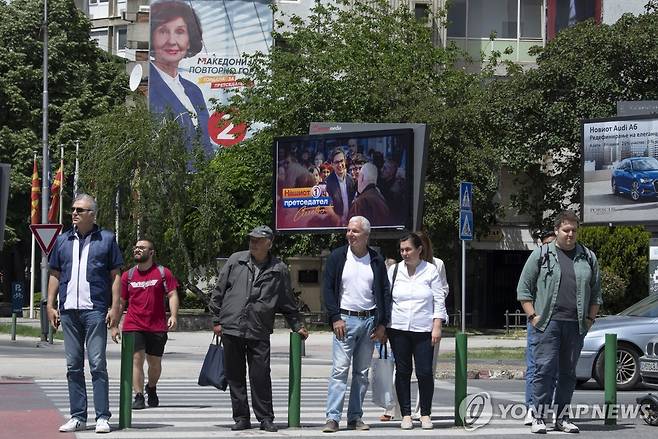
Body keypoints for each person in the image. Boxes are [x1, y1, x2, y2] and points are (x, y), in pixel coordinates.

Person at [209, 225, 309, 433]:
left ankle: (265, 418)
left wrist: (297, 325)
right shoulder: (236, 260)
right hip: (232, 326)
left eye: (257, 240)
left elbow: (286, 301)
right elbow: (219, 291)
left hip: (259, 328)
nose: (253, 243)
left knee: (261, 375)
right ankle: (241, 417)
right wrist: (217, 320)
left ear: (269, 243)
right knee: (235, 375)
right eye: (251, 239)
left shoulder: (278, 269)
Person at [517, 210, 602, 434]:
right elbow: (523, 290)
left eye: (574, 230)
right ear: (556, 231)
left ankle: (562, 418)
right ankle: (538, 416)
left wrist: (590, 320)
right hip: (547, 324)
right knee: (543, 371)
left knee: (568, 373)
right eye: (566, 230)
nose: (570, 234)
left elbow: (596, 294)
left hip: (575, 325)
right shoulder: (541, 254)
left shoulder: (588, 257)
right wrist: (534, 317)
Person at [46, 194, 123, 434]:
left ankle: (102, 417)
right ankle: (78, 416)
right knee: (73, 365)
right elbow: (55, 274)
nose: (74, 213)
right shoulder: (62, 240)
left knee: (98, 363)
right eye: (73, 209)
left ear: (92, 214)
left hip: (95, 310)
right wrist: (50, 305)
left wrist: (115, 308)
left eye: (80, 209)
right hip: (68, 310)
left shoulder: (107, 239)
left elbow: (116, 276)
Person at [321, 216, 390, 433]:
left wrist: (382, 324)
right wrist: (335, 317)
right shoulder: (337, 257)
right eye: (349, 230)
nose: (350, 234)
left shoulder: (376, 260)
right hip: (345, 320)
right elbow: (328, 290)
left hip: (369, 321)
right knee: (340, 370)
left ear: (366, 236)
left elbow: (385, 293)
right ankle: (332, 418)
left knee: (361, 373)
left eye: (355, 231)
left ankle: (355, 417)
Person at [386, 233, 445, 430]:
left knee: (425, 372)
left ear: (419, 249)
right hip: (398, 328)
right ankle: (406, 414)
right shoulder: (394, 270)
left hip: (424, 329)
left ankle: (425, 413)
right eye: (402, 250)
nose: (404, 253)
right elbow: (387, 299)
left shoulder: (431, 271)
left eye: (408, 249)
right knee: (402, 372)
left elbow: (439, 299)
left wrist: (437, 325)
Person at [112, 239, 179, 410]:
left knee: (154, 364)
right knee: (136, 359)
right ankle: (139, 395)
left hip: (157, 326)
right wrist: (114, 324)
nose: (137, 250)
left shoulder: (163, 273)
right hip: (133, 324)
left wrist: (173, 315)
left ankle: (151, 387)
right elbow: (121, 302)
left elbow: (172, 295)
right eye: (136, 247)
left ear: (151, 252)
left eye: (142, 248)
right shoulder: (128, 275)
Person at [148, 0, 214, 155]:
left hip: (200, 175)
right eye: (163, 31)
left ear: (189, 41)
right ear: (152, 36)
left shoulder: (194, 90)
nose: (172, 41)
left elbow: (205, 140)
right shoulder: (147, 84)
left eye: (179, 32)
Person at [523, 229, 556, 426]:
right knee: (536, 366)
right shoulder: (537, 261)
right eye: (547, 243)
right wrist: (534, 316)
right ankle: (531, 408)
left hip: (558, 322)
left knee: (554, 369)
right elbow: (524, 290)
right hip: (538, 322)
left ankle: (547, 408)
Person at [325, 148, 356, 225]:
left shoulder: (351, 180)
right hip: (335, 226)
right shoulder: (328, 183)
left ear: (345, 161)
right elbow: (328, 208)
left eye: (341, 161)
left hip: (350, 224)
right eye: (336, 162)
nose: (340, 165)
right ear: (332, 164)